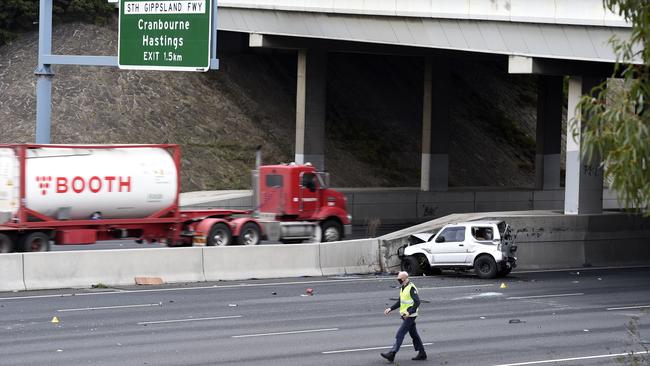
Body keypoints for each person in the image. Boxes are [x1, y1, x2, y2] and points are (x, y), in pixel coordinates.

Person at [381, 271, 427, 362]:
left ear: (404, 279)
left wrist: (409, 313)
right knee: (414, 335)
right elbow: (400, 302)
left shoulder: (411, 288)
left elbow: (417, 302)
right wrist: (390, 309)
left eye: (399, 278)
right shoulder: (403, 287)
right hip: (405, 315)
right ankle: (422, 353)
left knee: (400, 334)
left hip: (410, 316)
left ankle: (392, 353)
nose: (398, 280)